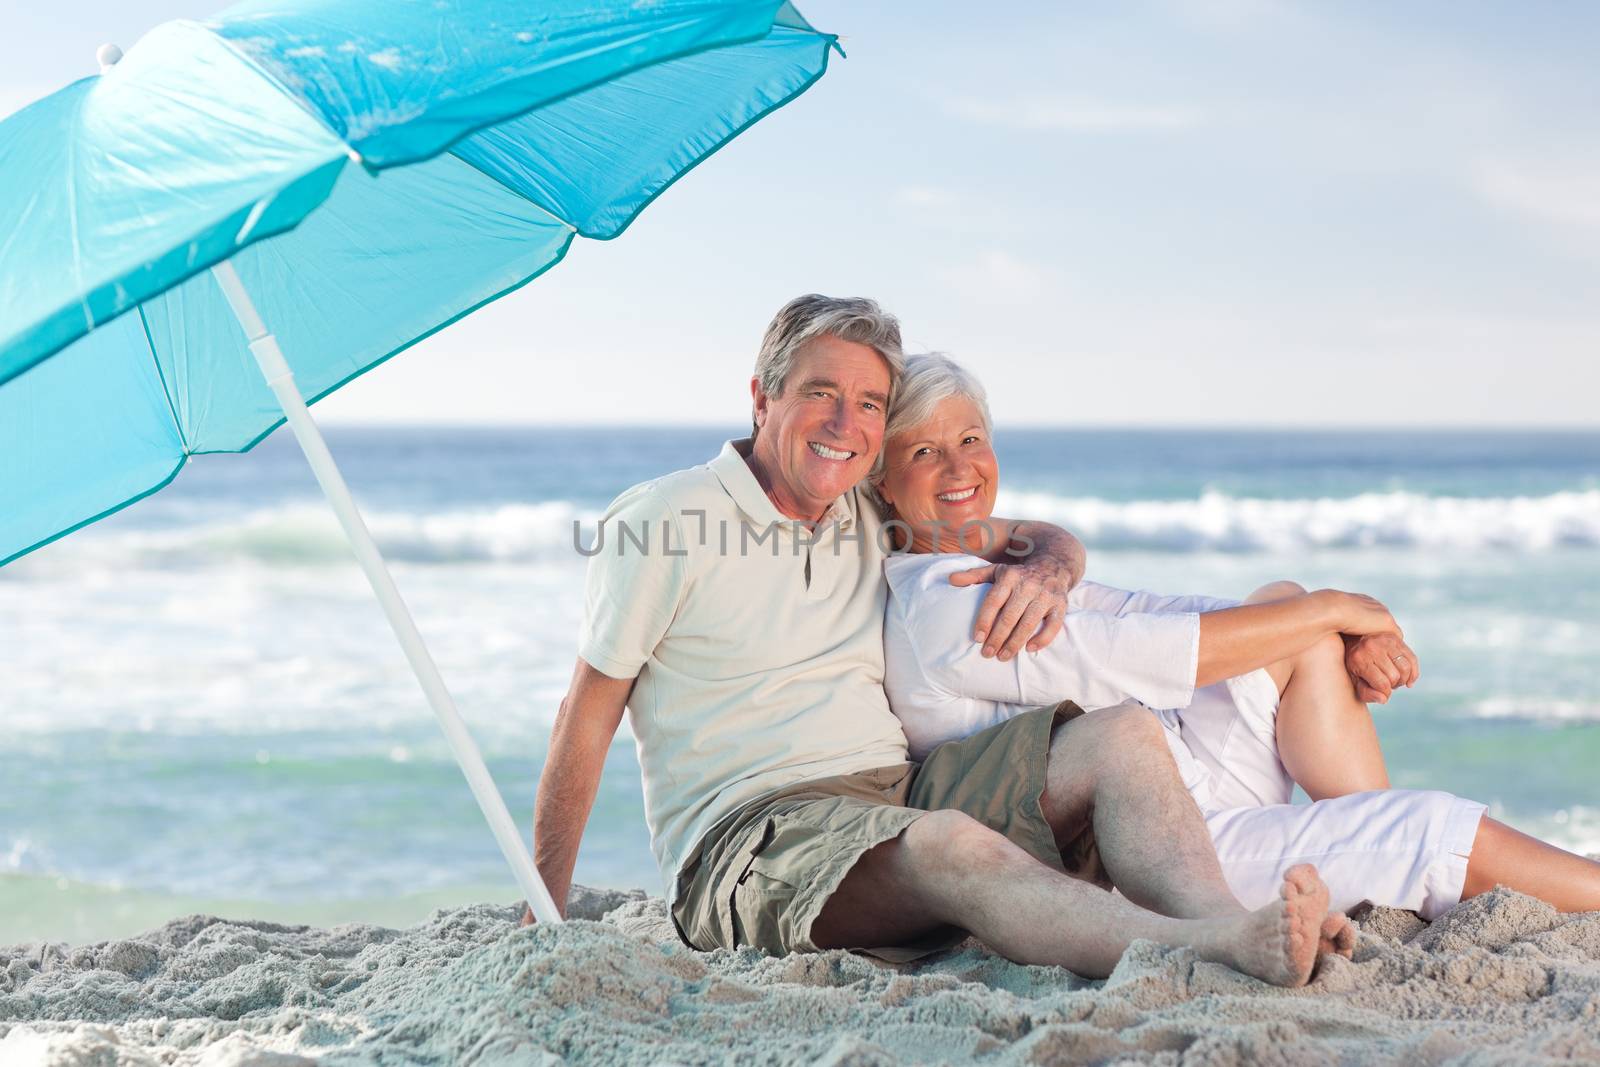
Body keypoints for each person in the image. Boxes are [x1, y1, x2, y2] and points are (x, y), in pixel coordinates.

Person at [526, 294, 1350, 986]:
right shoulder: (663, 522)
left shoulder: (865, 506)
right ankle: (1214, 949)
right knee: (950, 844)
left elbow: (1030, 531)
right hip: (750, 837)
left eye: (871, 406)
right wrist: (545, 905)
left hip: (898, 793)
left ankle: (1230, 924)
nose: (845, 424)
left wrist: (1052, 570)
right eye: (821, 393)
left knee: (1122, 733)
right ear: (761, 396)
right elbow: (585, 716)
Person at [873, 352, 1600, 916]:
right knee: (1433, 828)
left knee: (1287, 618)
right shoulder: (943, 606)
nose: (959, 466)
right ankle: (1397, 849)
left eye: (970, 438)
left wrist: (1324, 616)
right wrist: (1343, 606)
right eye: (924, 452)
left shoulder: (992, 566)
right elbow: (1141, 656)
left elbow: (1154, 612)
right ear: (884, 482)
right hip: (1147, 850)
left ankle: (1376, 847)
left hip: (1185, 781)